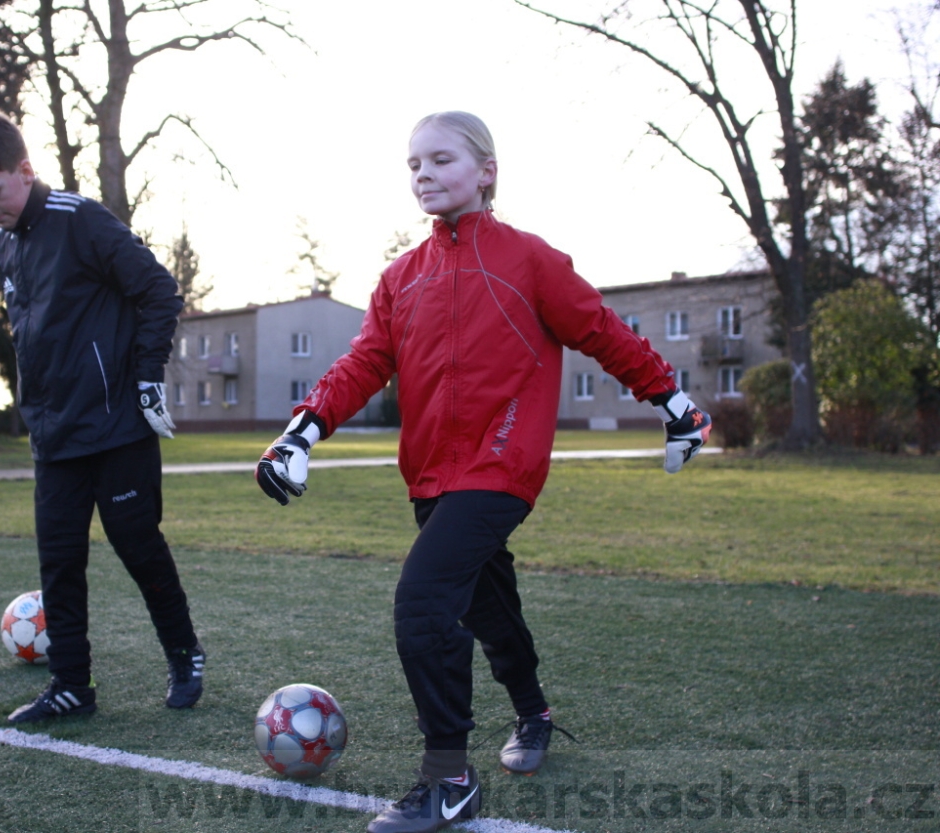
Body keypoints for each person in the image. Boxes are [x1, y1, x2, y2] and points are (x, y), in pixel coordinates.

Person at [255, 111, 711, 833]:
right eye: (413, 164)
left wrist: (677, 403)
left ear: (487, 171)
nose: (424, 174)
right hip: (431, 475)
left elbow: (602, 330)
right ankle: (534, 713)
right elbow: (363, 363)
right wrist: (300, 433)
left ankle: (449, 779)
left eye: (441, 159)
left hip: (503, 463)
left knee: (423, 602)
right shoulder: (401, 277)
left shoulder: (529, 259)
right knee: (486, 605)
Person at [0, 107, 205, 724]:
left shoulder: (81, 219)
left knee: (138, 547)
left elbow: (159, 292)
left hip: (118, 429)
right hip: (53, 434)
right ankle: (71, 686)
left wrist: (147, 377)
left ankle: (184, 654)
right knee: (59, 563)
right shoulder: (2, 244)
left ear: (24, 169)